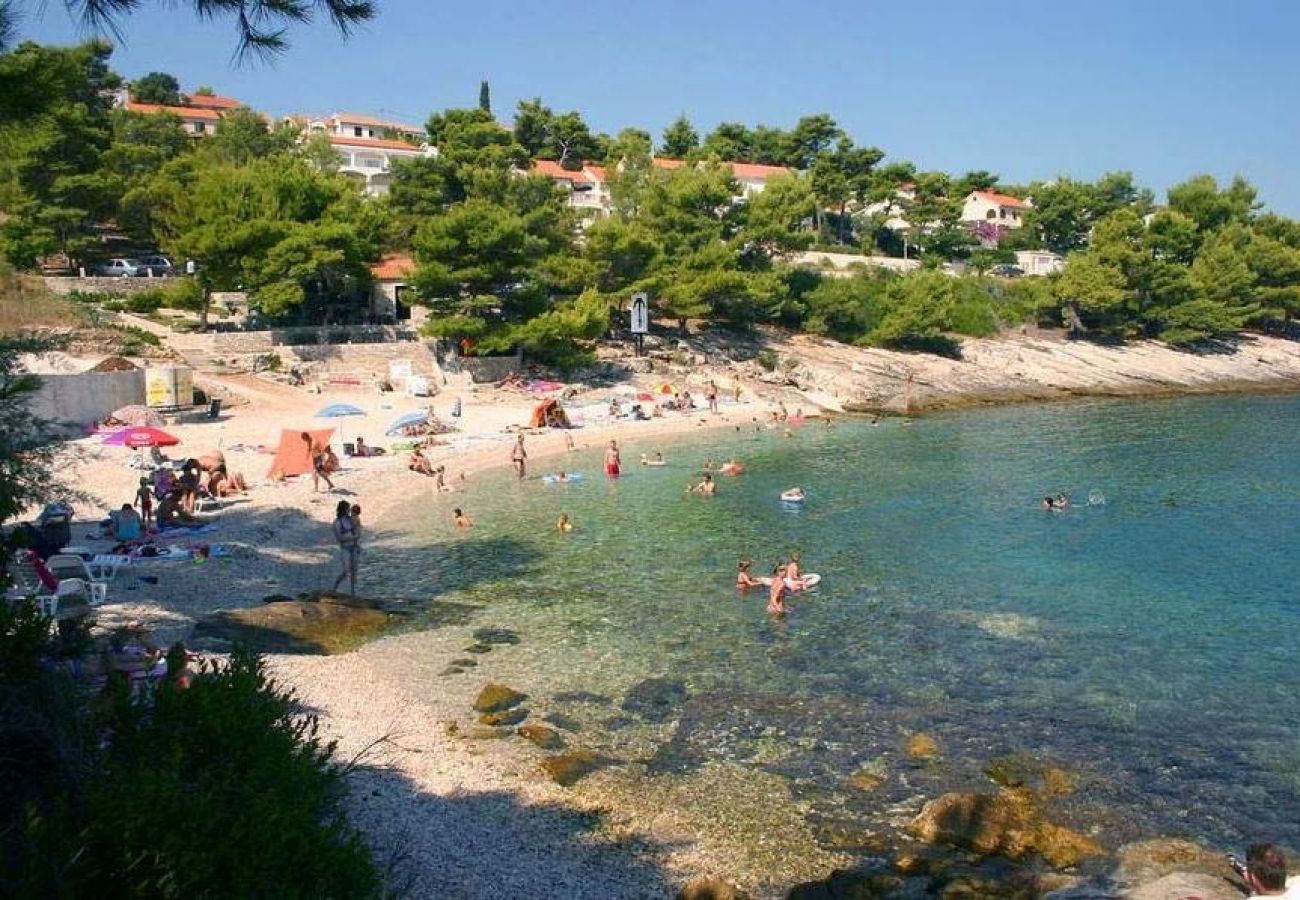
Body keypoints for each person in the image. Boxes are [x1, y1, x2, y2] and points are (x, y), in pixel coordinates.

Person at [330, 500, 360, 596]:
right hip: (345, 548)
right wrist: (353, 537)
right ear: (344, 509)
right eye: (348, 508)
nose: (349, 510)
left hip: (354, 547)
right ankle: (335, 587)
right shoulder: (337, 522)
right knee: (346, 570)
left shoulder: (350, 520)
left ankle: (353, 593)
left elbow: (357, 528)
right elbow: (339, 538)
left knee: (353, 571)